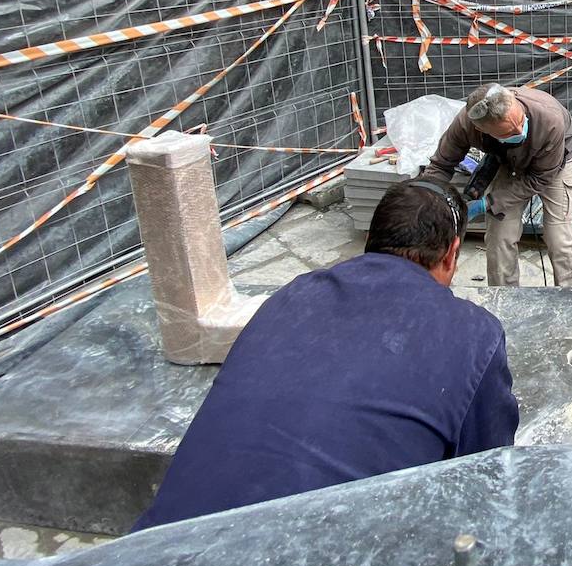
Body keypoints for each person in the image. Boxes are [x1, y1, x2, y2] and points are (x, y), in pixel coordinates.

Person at [131, 181, 517, 531]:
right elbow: (484, 481)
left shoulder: (291, 296)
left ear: (370, 237)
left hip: (155, 547)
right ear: (452, 253)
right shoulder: (472, 333)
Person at [422, 83, 572, 287]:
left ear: (514, 101)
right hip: (508, 160)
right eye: (509, 132)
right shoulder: (465, 124)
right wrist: (424, 201)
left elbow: (540, 179)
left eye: (520, 121)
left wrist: (487, 203)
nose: (519, 131)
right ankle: (504, 298)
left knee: (559, 237)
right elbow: (441, 165)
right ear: (481, 130)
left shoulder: (549, 119)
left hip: (553, 163)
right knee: (499, 238)